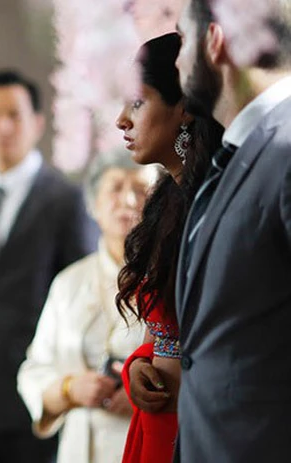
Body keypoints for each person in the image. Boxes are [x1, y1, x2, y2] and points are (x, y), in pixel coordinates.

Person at [0, 69, 98, 463]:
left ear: (38, 123)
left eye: (14, 115)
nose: (3, 126)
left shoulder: (66, 200)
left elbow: (81, 297)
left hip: (29, 397)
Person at [170, 1, 291, 460]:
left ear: (215, 41)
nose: (176, 62)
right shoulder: (240, 153)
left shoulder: (286, 146)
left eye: (182, 40)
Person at [114, 33, 223, 463]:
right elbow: (160, 331)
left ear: (184, 108)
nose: (121, 120)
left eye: (137, 103)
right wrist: (138, 368)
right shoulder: (165, 202)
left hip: (204, 426)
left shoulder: (220, 203)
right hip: (158, 423)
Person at [17, 149, 154, 463]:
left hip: (145, 442)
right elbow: (34, 370)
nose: (128, 200)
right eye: (115, 188)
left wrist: (146, 394)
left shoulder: (172, 279)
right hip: (79, 449)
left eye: (140, 190)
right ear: (94, 205)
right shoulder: (69, 283)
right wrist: (69, 390)